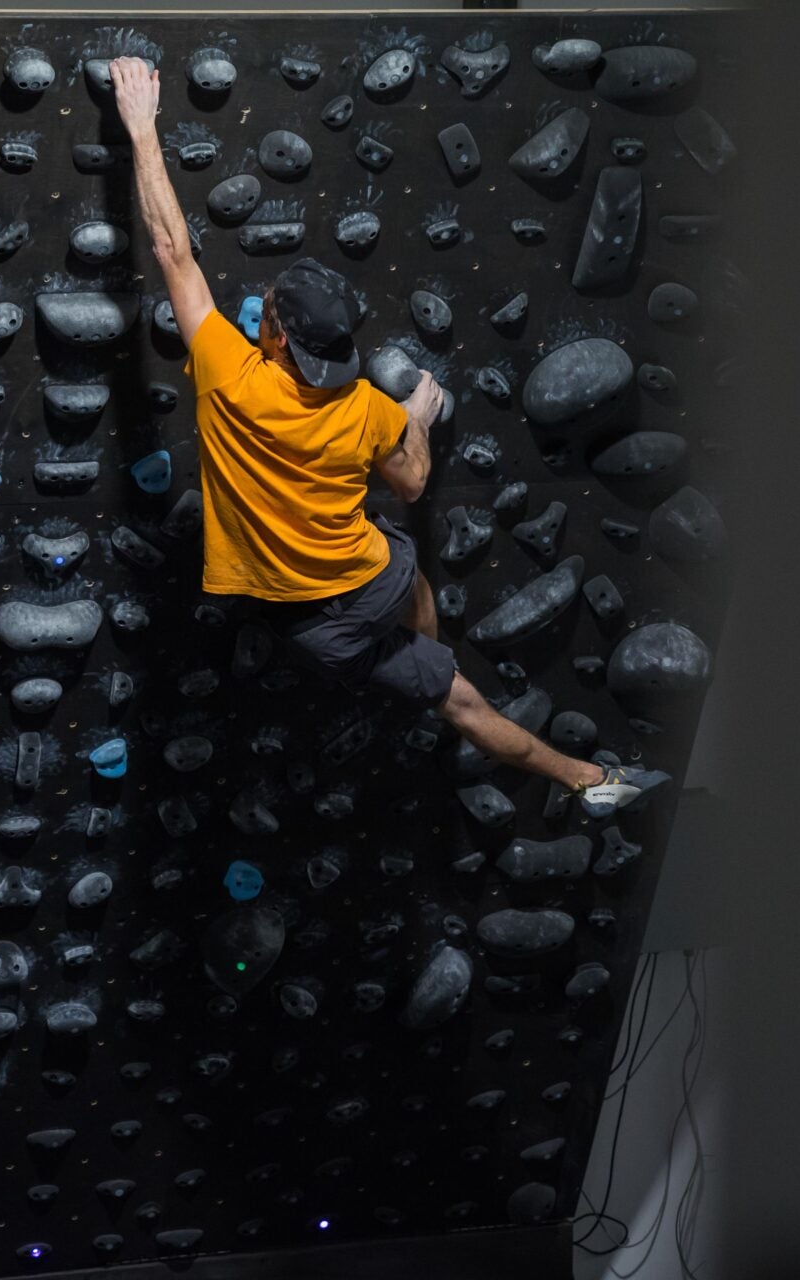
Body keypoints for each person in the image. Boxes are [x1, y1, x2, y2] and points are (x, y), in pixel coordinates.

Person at [106, 57, 667, 817]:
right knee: (440, 644)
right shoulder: (373, 408)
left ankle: (549, 754)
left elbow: (173, 249)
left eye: (268, 309)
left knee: (446, 691)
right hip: (376, 577)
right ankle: (588, 780)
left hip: (312, 626)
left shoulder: (232, 377)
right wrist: (422, 423)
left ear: (274, 340)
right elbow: (409, 487)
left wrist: (140, 124)